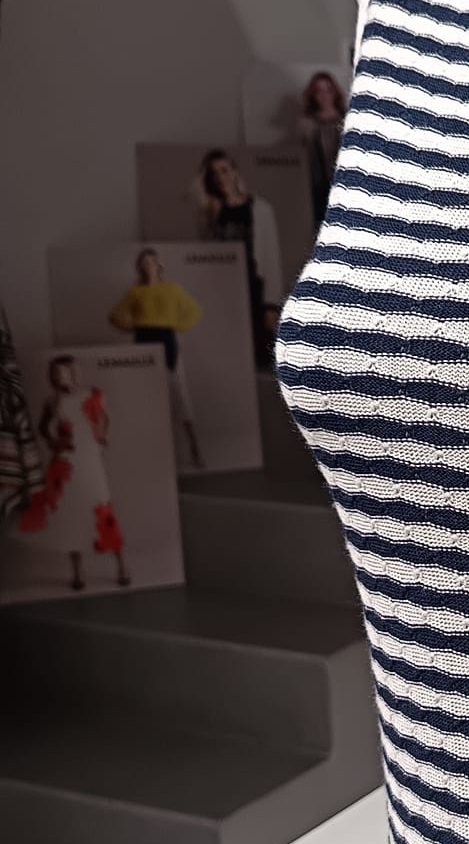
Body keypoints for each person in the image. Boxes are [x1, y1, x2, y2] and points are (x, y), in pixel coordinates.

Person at [19, 354, 130, 591]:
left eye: (67, 372)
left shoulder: (93, 394)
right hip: (65, 462)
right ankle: (78, 571)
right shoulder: (52, 400)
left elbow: (106, 419)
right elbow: (42, 427)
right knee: (72, 513)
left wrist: (104, 438)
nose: (62, 377)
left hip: (90, 459)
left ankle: (122, 565)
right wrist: (53, 441)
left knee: (102, 508)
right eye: (56, 373)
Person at [108, 247, 205, 469]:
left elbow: (194, 312)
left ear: (159, 265)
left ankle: (195, 448)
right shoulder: (135, 292)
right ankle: (146, 451)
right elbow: (114, 315)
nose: (148, 266)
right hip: (144, 340)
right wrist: (135, 327)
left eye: (151, 262)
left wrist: (174, 327)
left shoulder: (172, 289)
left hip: (166, 339)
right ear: (139, 267)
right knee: (144, 394)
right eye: (144, 263)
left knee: (179, 393)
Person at [194, 149, 284, 369]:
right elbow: (204, 257)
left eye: (224, 170)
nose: (220, 177)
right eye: (213, 173)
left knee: (262, 357)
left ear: (235, 172)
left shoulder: (260, 209)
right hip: (223, 291)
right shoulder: (210, 212)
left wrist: (271, 304)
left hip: (254, 287)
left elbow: (271, 256)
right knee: (231, 356)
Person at [298, 69, 347, 223]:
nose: (324, 95)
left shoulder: (348, 119)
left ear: (334, 93)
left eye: (328, 90)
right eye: (319, 91)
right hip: (317, 185)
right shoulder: (306, 123)